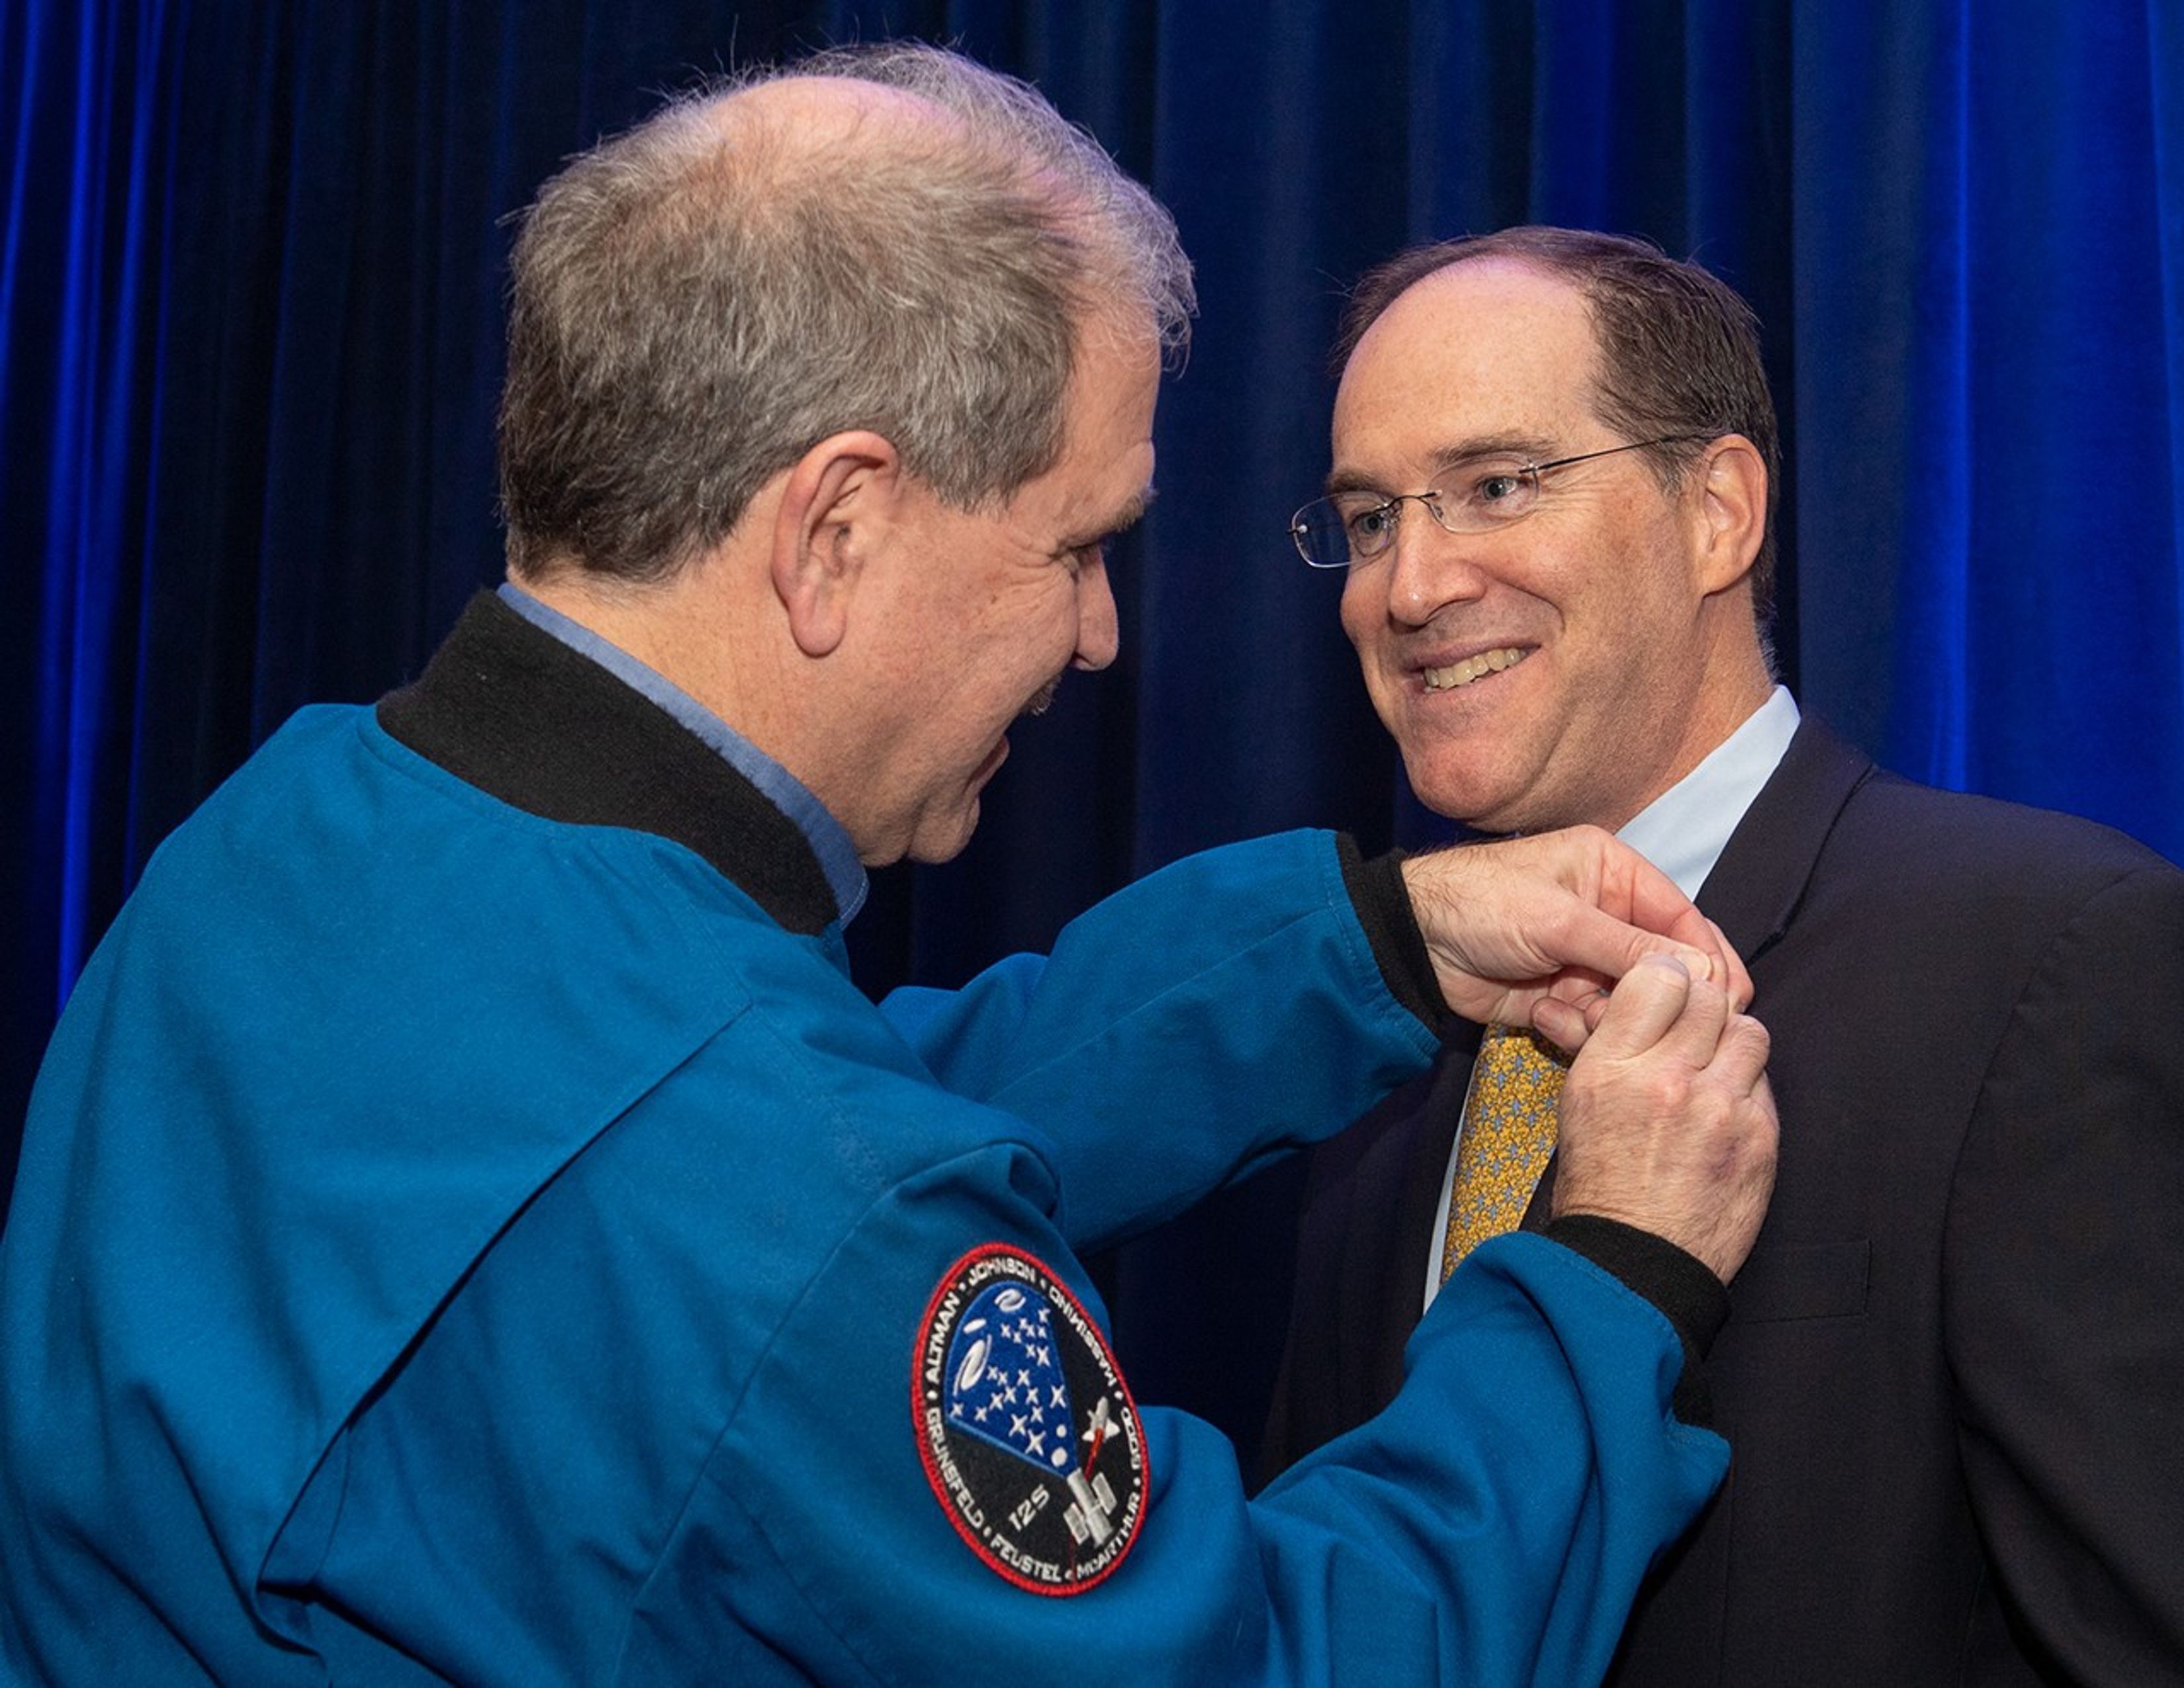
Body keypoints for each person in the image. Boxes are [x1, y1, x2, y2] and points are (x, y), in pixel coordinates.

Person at [0, 55, 1780, 1688]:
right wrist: (1609, 1279)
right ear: (834, 531)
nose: (1097, 635)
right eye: (1079, 542)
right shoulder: (784, 1209)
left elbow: (751, 1126)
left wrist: (1365, 944)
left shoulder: (285, 826)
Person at [1259, 225, 2184, 1685]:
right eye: (1370, 520)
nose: (1410, 587)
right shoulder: (1382, 1035)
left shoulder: (2046, 960)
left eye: (1496, 487)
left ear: (1720, 512)